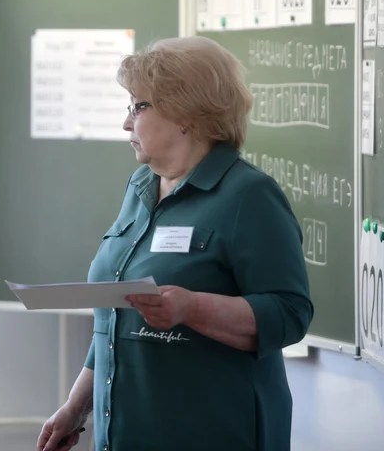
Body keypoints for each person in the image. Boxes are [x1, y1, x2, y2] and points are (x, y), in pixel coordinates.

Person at [37, 36, 313, 451]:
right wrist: (76, 407)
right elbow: (113, 322)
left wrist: (192, 308)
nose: (126, 123)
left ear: (186, 113)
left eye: (138, 106)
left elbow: (290, 314)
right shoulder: (141, 186)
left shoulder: (248, 196)